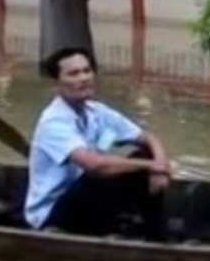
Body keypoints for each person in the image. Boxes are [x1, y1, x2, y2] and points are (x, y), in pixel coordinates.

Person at [26, 47, 175, 237]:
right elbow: (94, 165)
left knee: (145, 152)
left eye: (87, 71)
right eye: (73, 74)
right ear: (56, 84)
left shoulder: (97, 112)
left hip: (87, 198)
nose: (83, 78)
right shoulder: (53, 121)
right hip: (52, 213)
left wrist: (159, 164)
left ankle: (156, 235)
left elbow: (147, 136)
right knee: (101, 171)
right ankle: (99, 232)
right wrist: (151, 166)